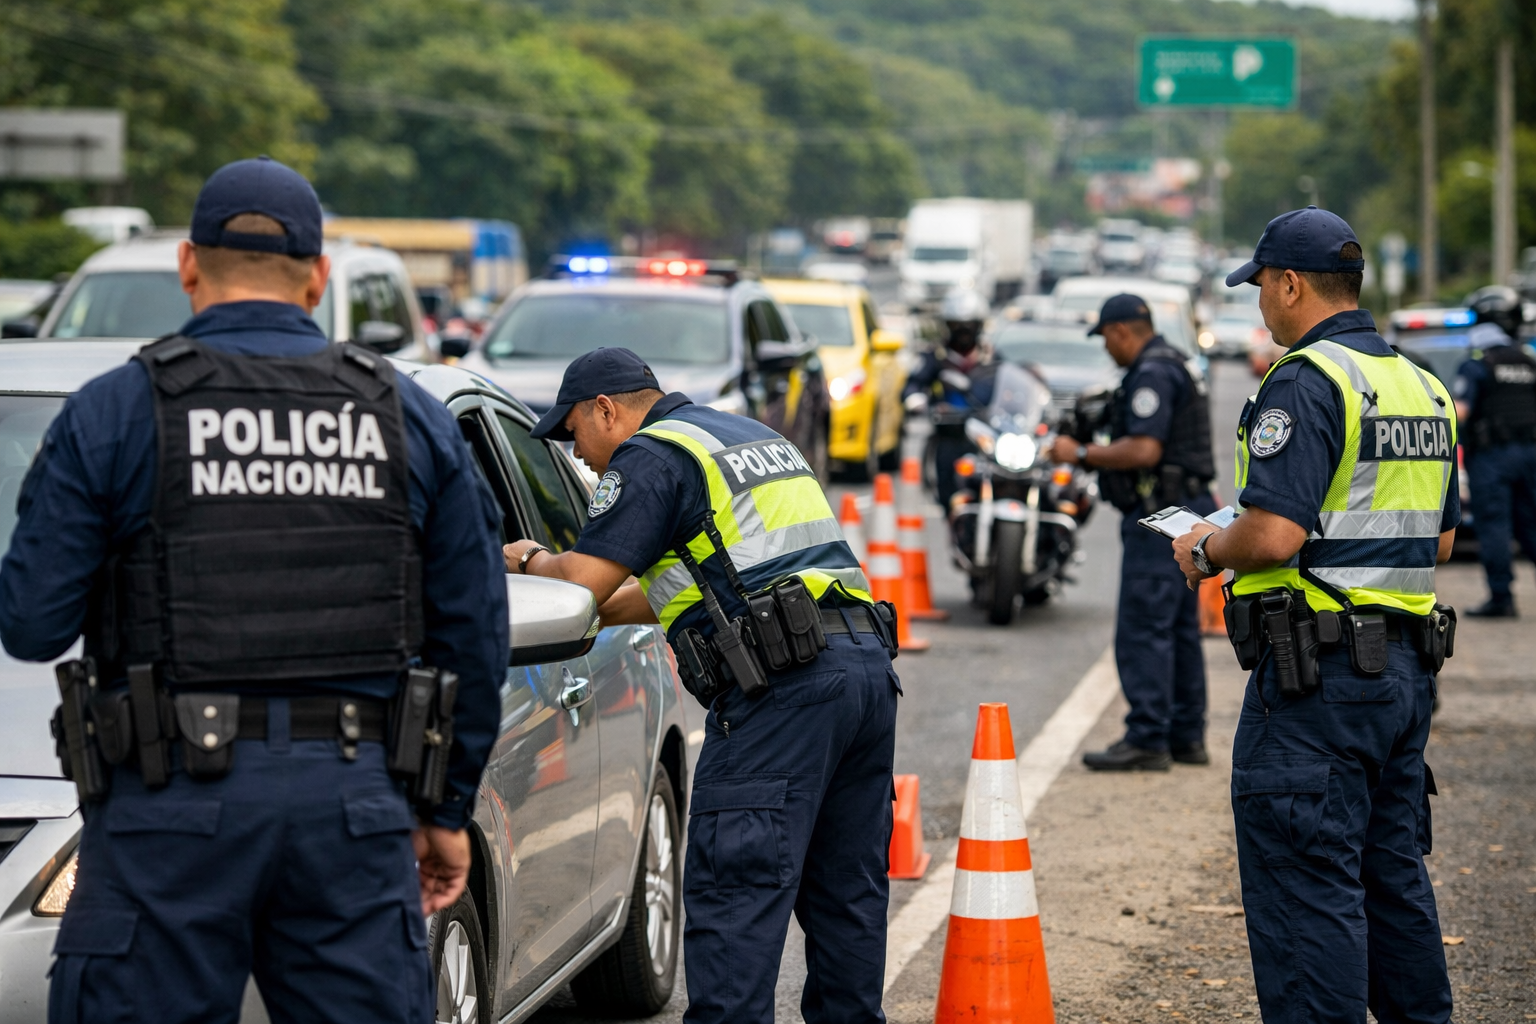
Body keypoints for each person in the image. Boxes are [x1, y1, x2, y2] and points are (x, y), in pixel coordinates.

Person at [0, 157, 508, 1022]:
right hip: (351, 811)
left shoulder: (118, 410)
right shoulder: (406, 415)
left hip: (165, 809)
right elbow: (476, 639)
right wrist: (444, 807)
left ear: (189, 266)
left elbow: (33, 623)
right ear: (318, 277)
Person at [503, 347, 899, 1024]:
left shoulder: (651, 457)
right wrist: (591, 598)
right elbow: (691, 591)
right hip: (861, 673)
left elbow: (580, 583)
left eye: (573, 436)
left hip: (782, 693)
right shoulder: (744, 437)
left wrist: (526, 559)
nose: (580, 458)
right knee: (846, 899)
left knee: (735, 901)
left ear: (606, 409)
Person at [1171, 207, 1457, 1024]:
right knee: (1390, 876)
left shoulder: (1304, 381)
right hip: (1402, 674)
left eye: (1262, 285)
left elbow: (1273, 533)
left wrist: (1203, 548)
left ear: (1291, 283)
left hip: (1316, 686)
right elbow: (1436, 542)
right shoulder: (1420, 384)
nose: (1260, 302)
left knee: (1308, 888)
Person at [1046, 293, 1215, 770]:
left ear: (1121, 331)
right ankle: (1185, 735)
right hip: (1186, 511)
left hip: (1162, 517)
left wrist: (1078, 454)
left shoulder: (1152, 372)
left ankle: (1148, 738)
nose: (1107, 349)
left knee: (1145, 630)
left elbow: (1143, 449)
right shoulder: (1176, 363)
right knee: (1178, 629)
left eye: (1106, 339)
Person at [1451, 285, 1536, 617]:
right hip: (1530, 453)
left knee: (1494, 525)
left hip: (1491, 458)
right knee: (1531, 525)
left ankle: (1501, 597)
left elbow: (1460, 411)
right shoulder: (1528, 362)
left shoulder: (1477, 363)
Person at [903, 288, 996, 506]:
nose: (963, 332)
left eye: (969, 326)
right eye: (956, 325)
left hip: (986, 438)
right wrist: (915, 398)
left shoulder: (992, 357)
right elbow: (914, 383)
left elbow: (1010, 387)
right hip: (949, 435)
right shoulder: (936, 357)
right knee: (948, 493)